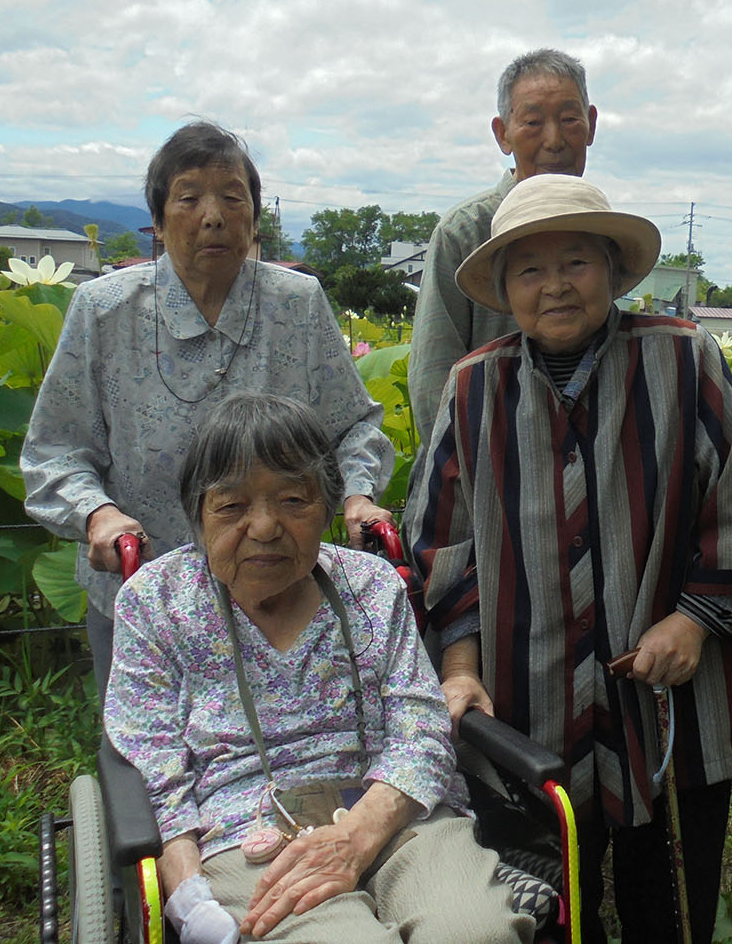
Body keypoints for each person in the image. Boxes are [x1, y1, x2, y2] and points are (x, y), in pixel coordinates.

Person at [404, 174, 732, 944]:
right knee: (542, 895)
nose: (554, 285)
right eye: (529, 269)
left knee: (670, 894)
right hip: (523, 698)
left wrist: (692, 621)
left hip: (672, 697)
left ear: (614, 271)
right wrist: (459, 665)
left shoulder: (685, 361)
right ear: (505, 288)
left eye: (576, 262)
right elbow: (441, 545)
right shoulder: (472, 385)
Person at [104, 393, 531, 944]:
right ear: (198, 514)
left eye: (291, 500)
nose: (263, 527)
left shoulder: (370, 587)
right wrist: (187, 895)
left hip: (395, 813)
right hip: (246, 833)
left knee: (476, 933)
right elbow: (152, 763)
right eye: (231, 506)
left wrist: (358, 835)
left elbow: (420, 729)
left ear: (326, 508)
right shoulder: (157, 602)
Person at [20, 121, 395, 697]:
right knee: (152, 763)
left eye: (232, 196)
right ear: (160, 218)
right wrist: (97, 515)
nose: (213, 215)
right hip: (146, 600)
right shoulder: (104, 310)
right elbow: (54, 452)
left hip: (282, 591)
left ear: (253, 215)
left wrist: (358, 493)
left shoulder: (297, 303)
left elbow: (352, 426)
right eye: (189, 197)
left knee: (287, 756)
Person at [407, 48, 597, 442]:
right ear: (502, 133)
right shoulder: (464, 232)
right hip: (483, 467)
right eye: (532, 122)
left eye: (569, 119)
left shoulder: (601, 227)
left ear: (591, 124)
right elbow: (432, 382)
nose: (554, 140)